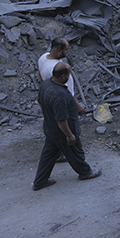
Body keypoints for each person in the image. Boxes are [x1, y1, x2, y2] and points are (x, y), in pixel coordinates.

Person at [33, 61, 102, 190]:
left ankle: (40, 181)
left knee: (48, 156)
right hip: (63, 131)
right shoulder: (60, 96)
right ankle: (85, 172)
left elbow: (41, 103)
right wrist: (69, 135)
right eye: (69, 75)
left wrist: (76, 106)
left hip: (50, 129)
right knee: (75, 151)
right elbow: (62, 120)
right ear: (64, 76)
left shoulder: (46, 85)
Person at [38, 37, 86, 116]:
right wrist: (78, 107)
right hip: (62, 103)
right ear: (59, 50)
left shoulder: (43, 57)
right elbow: (66, 93)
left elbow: (41, 77)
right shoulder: (56, 69)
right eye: (66, 50)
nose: (67, 52)